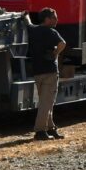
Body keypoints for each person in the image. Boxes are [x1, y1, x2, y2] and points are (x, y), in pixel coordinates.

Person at [28, 7, 67, 140]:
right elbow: (63, 43)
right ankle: (40, 131)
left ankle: (51, 128)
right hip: (50, 71)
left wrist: (24, 16)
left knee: (46, 101)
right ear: (47, 19)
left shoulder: (33, 30)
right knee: (47, 102)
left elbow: (28, 23)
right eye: (54, 17)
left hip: (37, 71)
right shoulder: (51, 32)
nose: (57, 20)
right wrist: (56, 53)